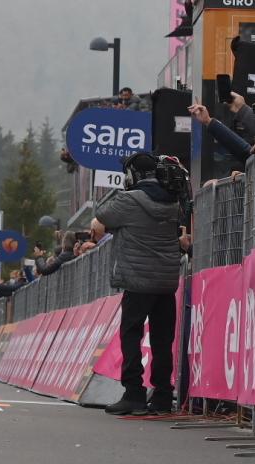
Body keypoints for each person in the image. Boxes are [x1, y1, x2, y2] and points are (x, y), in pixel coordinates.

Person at [91, 152, 188, 416]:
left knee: (132, 335)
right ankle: (162, 396)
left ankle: (134, 393)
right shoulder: (172, 200)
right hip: (166, 281)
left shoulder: (128, 200)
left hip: (137, 280)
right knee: (162, 340)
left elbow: (102, 215)